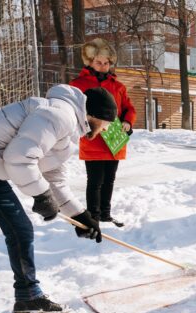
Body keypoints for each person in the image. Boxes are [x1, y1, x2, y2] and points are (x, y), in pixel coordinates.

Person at [0, 85, 115, 313]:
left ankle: (28, 297)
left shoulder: (69, 131)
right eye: (107, 124)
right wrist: (41, 196)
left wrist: (80, 216)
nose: (105, 129)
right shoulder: (60, 115)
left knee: (20, 230)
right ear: (97, 116)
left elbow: (54, 179)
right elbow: (19, 157)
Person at [70, 38, 136, 227]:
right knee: (95, 180)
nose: (103, 66)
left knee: (109, 179)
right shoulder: (77, 85)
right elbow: (73, 110)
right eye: (99, 62)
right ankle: (94, 215)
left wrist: (127, 122)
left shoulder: (118, 86)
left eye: (106, 62)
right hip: (93, 139)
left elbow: (129, 109)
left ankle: (105, 214)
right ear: (89, 62)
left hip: (114, 138)